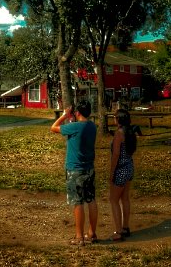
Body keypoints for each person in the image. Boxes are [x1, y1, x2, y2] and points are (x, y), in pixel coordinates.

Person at [51, 100, 98, 246]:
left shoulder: (75, 127)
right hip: (89, 168)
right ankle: (92, 233)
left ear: (77, 113)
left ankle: (79, 237)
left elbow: (53, 128)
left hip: (74, 170)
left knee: (78, 203)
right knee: (91, 200)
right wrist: (72, 119)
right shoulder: (91, 126)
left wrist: (65, 115)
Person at [109, 109, 136, 242]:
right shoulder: (130, 132)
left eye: (115, 117)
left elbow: (115, 154)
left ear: (119, 119)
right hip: (130, 167)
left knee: (113, 200)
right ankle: (125, 227)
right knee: (125, 198)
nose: (114, 119)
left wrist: (112, 172)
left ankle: (118, 231)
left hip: (120, 169)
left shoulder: (119, 134)